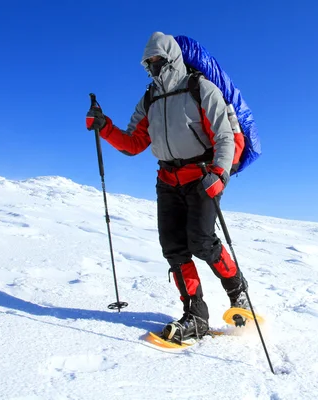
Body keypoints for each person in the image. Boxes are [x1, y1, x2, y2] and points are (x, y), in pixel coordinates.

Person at [85, 32, 248, 343]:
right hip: (167, 181)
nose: (154, 68)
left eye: (158, 61)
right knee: (174, 249)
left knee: (202, 242)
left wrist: (219, 174)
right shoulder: (149, 99)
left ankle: (237, 290)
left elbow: (225, 137)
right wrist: (104, 126)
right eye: (149, 64)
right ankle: (195, 315)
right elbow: (134, 144)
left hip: (203, 176)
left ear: (172, 59)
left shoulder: (201, 89)